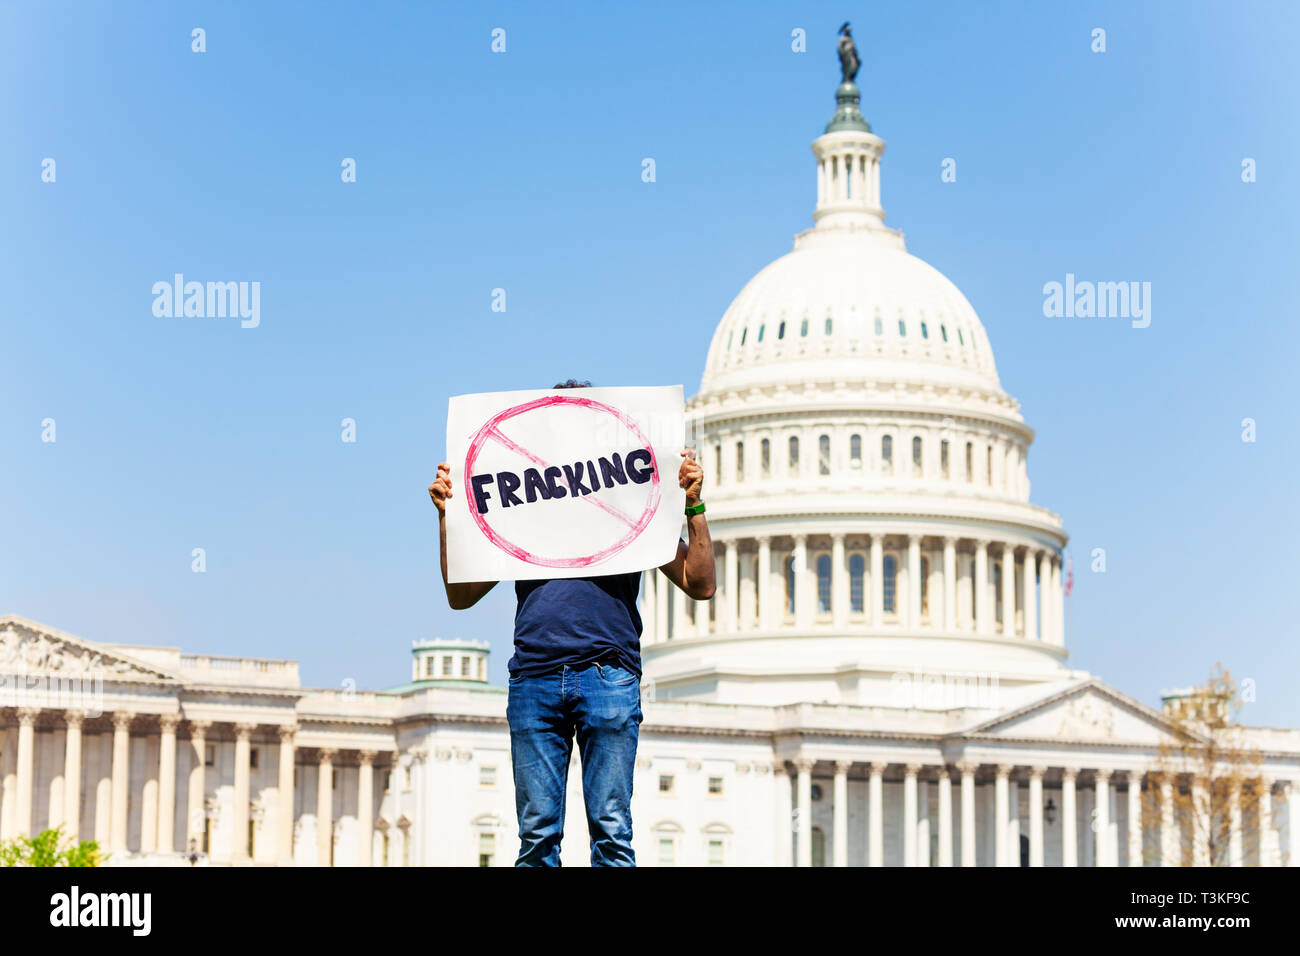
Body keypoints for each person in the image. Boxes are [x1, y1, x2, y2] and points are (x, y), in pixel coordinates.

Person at [427, 380, 715, 866]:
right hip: (535, 676)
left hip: (608, 673)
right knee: (537, 837)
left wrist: (693, 506)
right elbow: (461, 595)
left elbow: (699, 583)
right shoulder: (522, 504)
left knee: (611, 832)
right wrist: (449, 518)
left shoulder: (628, 501)